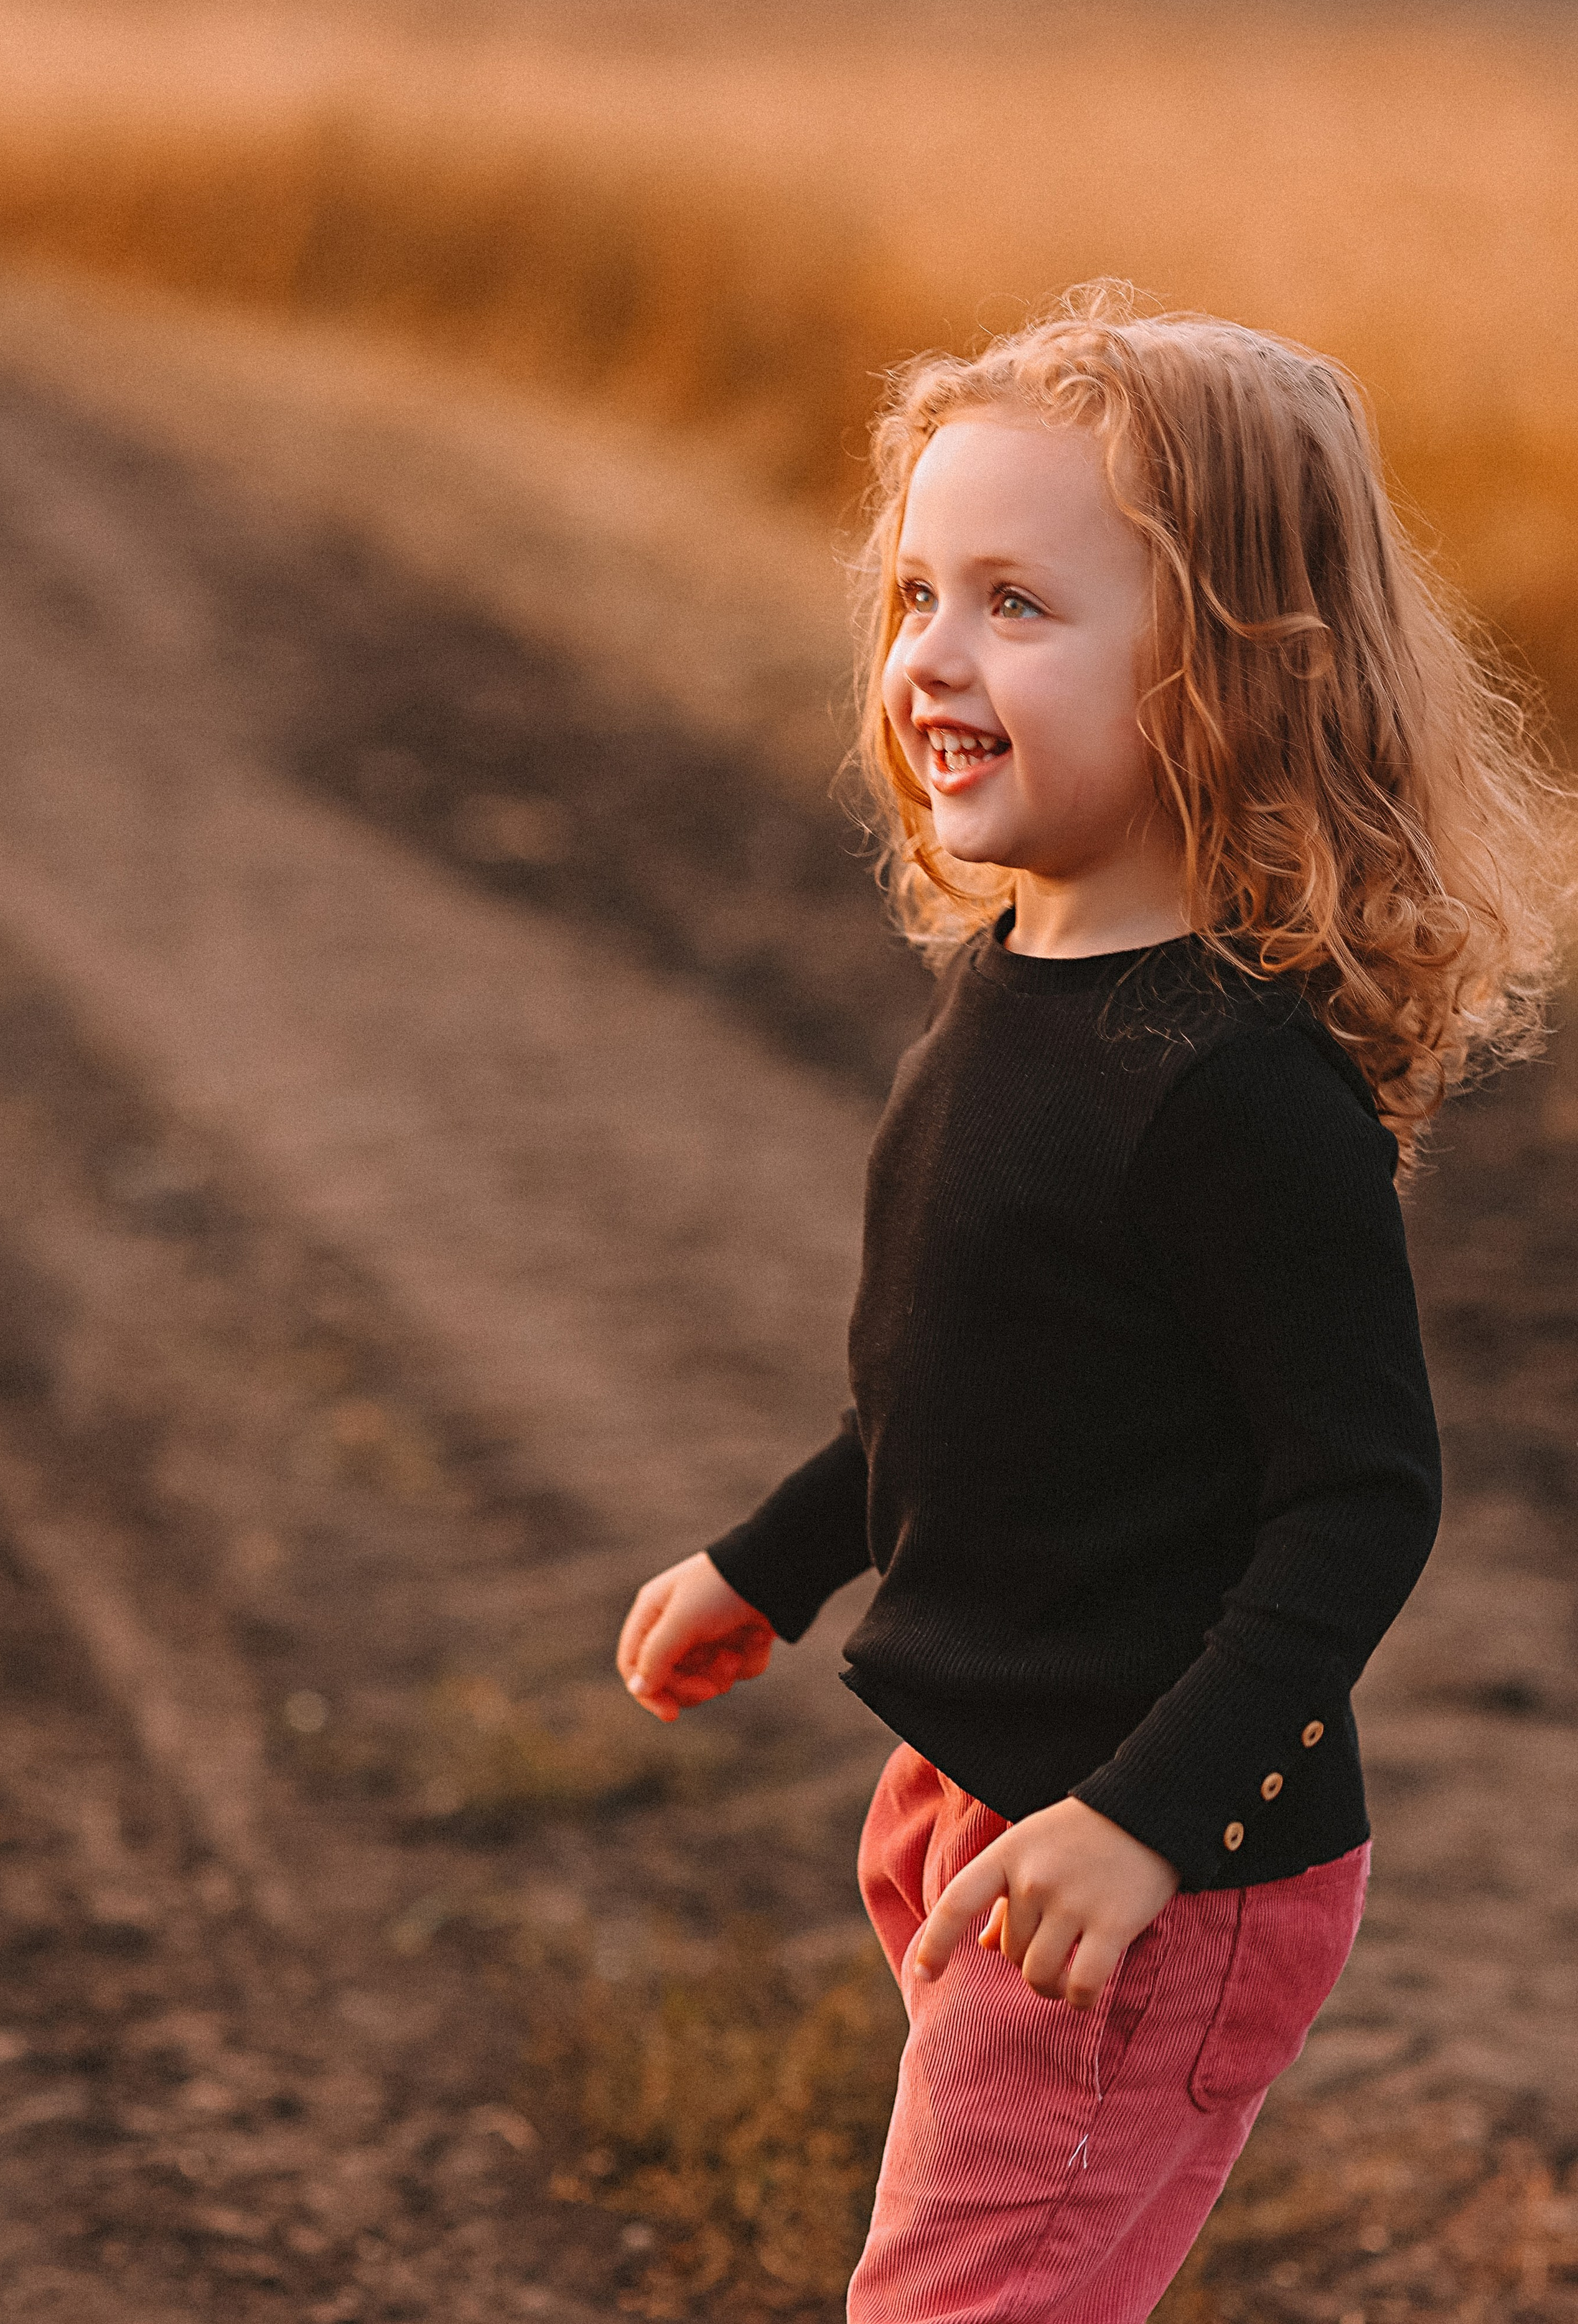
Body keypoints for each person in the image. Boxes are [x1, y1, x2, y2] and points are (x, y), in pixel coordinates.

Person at [614, 287, 1576, 2322]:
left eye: (1016, 608)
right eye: (912, 594)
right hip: (984, 1796)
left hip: (1160, 1853)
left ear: (1233, 674)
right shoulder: (1014, 988)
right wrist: (774, 1561)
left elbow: (1361, 1503)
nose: (929, 662)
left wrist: (1146, 1821)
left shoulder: (1233, 1091)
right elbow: (959, 1399)